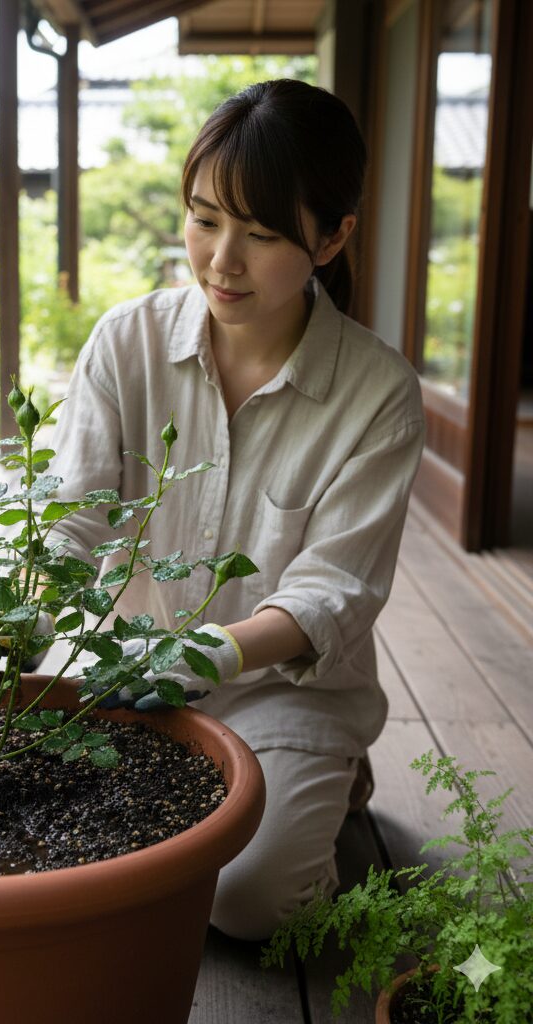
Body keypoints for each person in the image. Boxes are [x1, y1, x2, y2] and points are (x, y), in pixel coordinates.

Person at [46, 79, 425, 942]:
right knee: (76, 843)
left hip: (280, 691)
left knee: (247, 902)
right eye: (204, 219)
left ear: (333, 237)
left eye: (261, 234)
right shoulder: (128, 342)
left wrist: (200, 656)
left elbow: (332, 591)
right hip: (128, 674)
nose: (222, 260)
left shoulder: (378, 394)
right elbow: (72, 517)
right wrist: (13, 622)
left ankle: (326, 774)